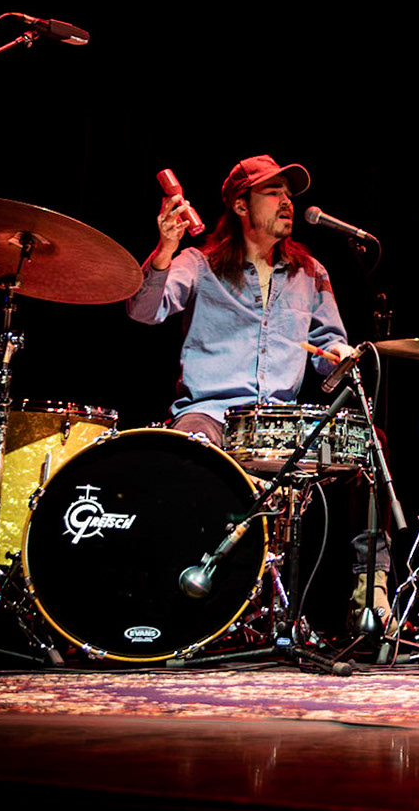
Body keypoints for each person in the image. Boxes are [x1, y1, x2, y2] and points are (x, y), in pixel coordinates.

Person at [127, 153, 388, 623]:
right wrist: (164, 248)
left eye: (289, 194)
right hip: (212, 414)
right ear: (241, 205)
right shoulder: (198, 263)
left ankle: (371, 594)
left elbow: (329, 346)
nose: (287, 202)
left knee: (370, 447)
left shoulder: (312, 272)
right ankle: (187, 600)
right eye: (273, 193)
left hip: (280, 423)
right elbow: (145, 312)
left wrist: (341, 357)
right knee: (192, 452)